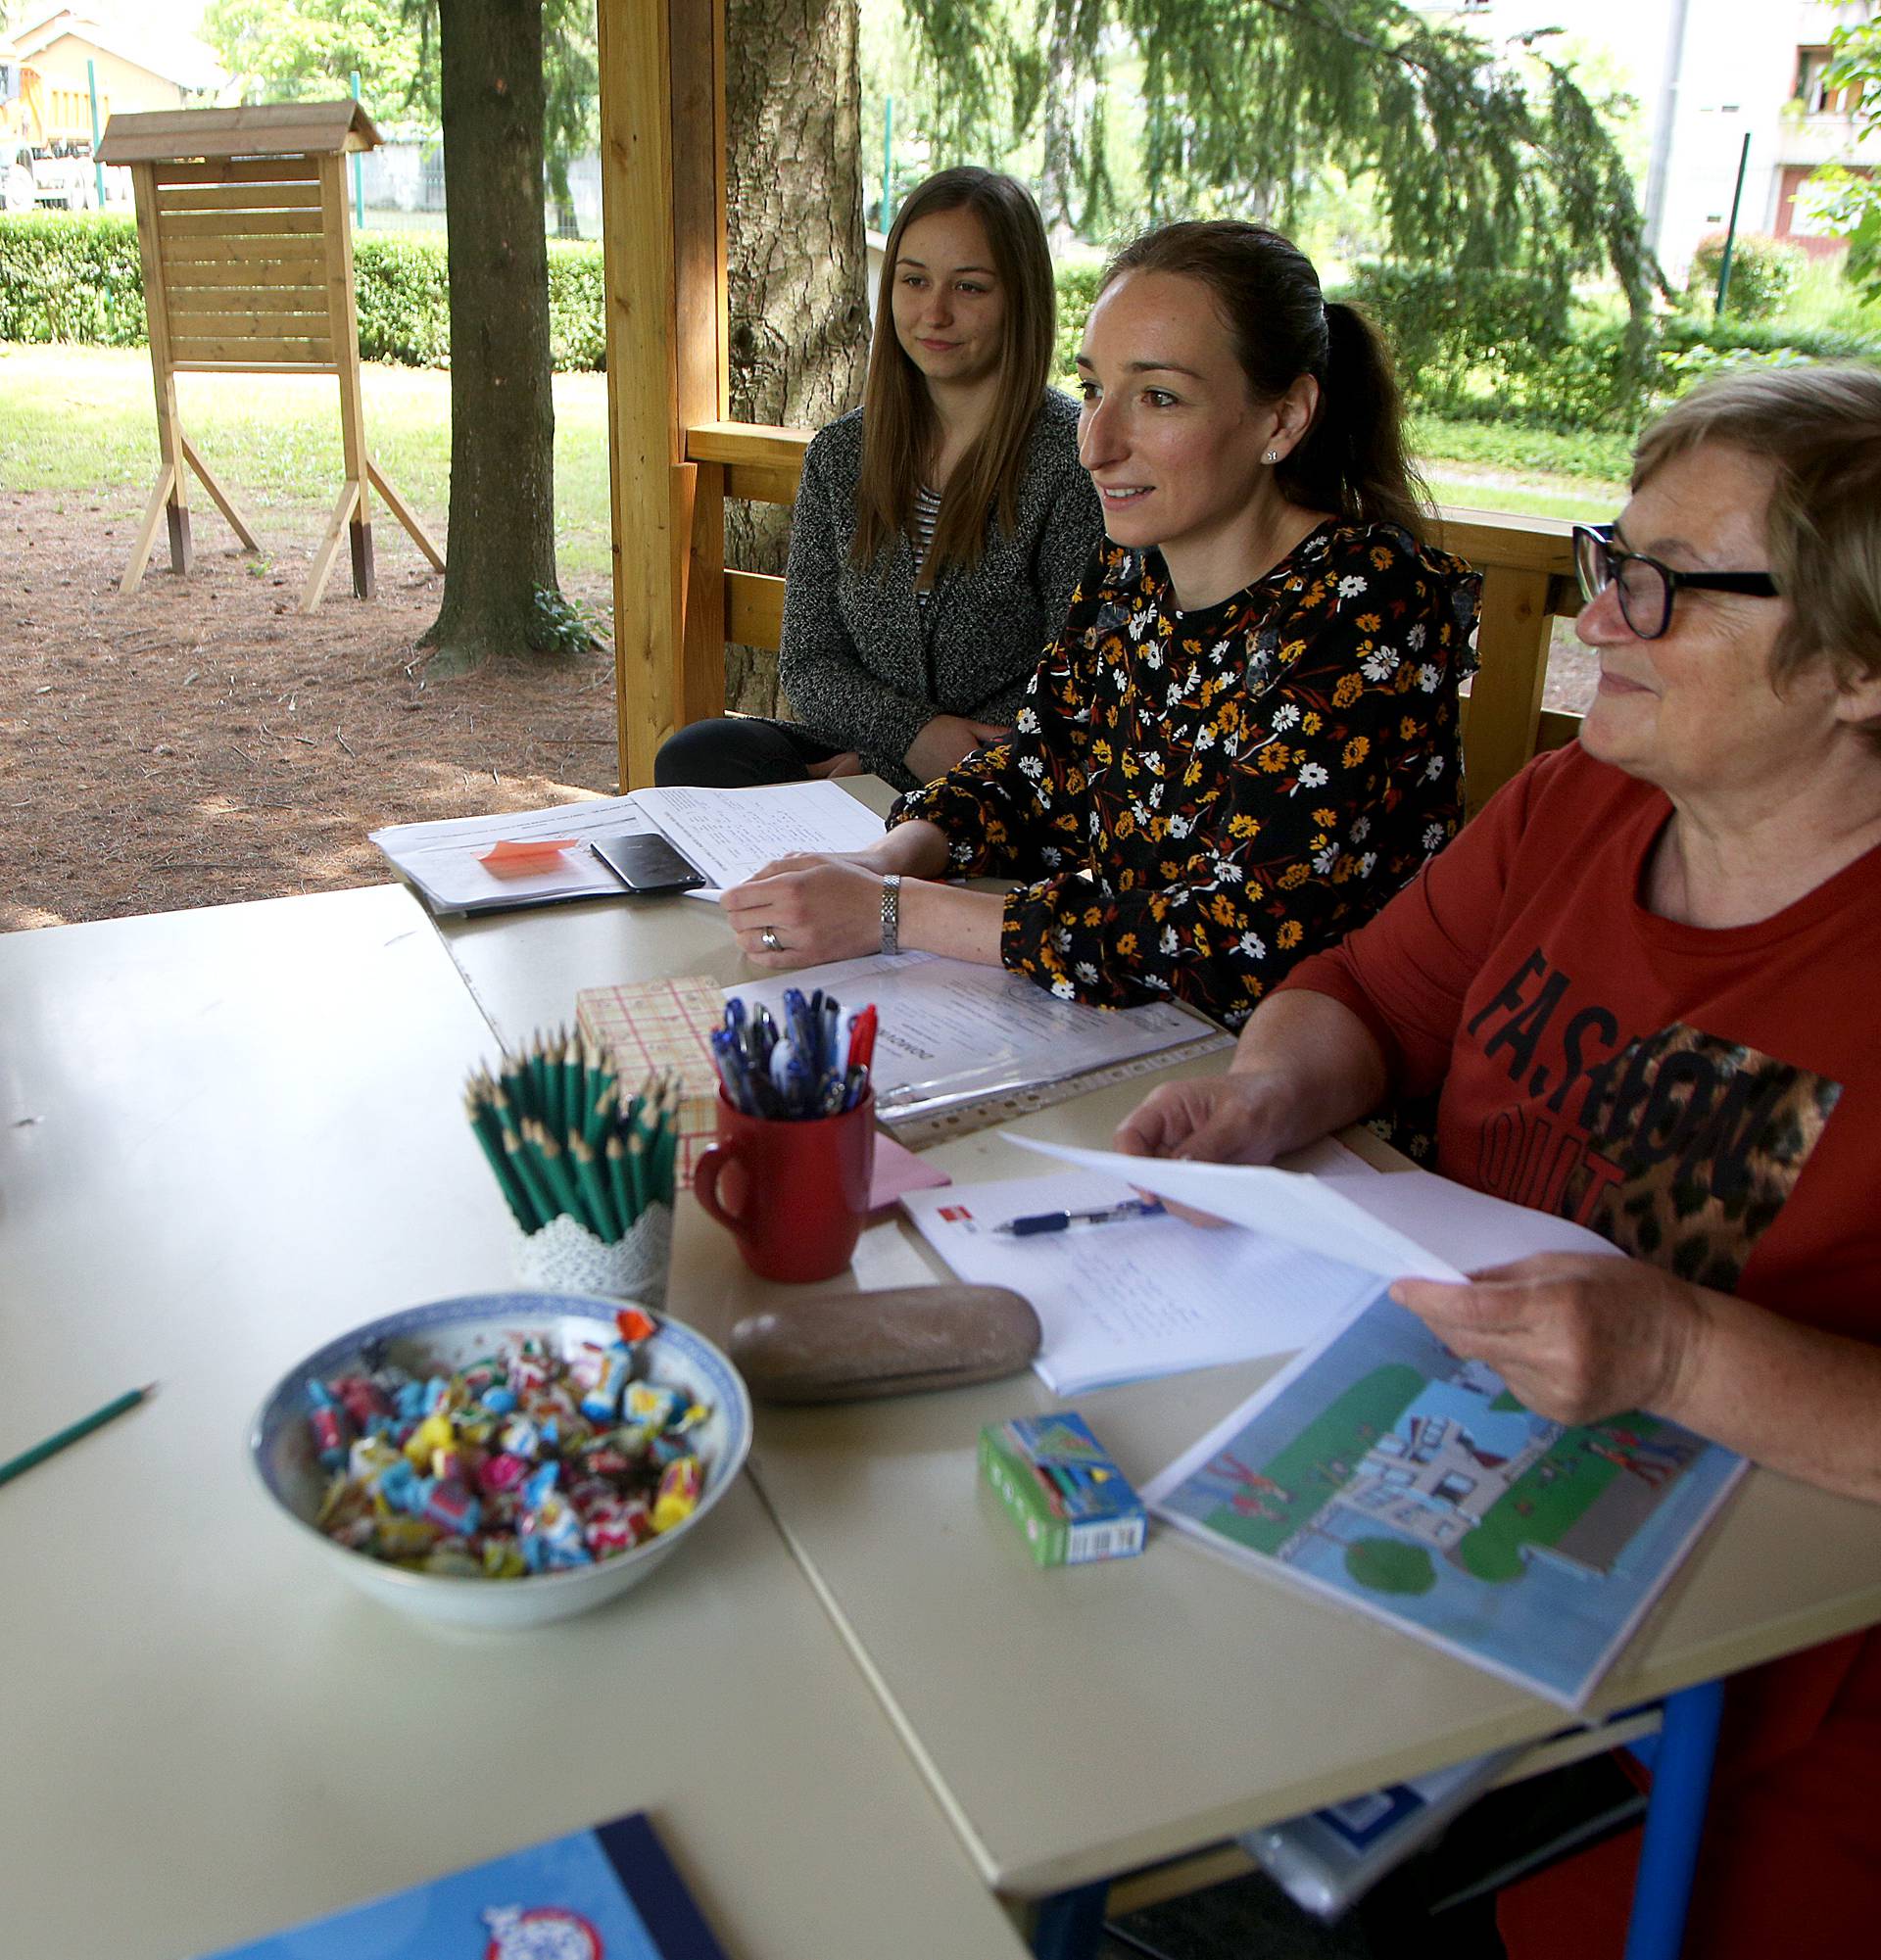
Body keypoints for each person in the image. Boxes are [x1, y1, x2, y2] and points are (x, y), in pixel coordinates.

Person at [1115, 363, 1881, 1957]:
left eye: (1665, 589)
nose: (1601, 619)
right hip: (1414, 1540)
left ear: (1860, 664)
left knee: (1131, 1882)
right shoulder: (1575, 808)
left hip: (1699, 1733)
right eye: (1614, 558)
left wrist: (1668, 1341)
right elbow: (1363, 996)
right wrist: (1268, 1095)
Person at [720, 220, 1479, 1028]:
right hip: (1119, 1037)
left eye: (1158, 398)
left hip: (1294, 1098)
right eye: (1091, 390)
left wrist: (891, 911)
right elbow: (1039, 767)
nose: (1096, 444)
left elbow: (1241, 943)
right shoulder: (1134, 572)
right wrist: (885, 856)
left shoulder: (1367, 605)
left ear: (1283, 419)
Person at [655, 167, 1103, 792]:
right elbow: (810, 666)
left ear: (1020, 298)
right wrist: (907, 741)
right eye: (914, 280)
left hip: (1007, 767)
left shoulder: (1072, 456)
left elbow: (1079, 686)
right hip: (872, 740)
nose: (934, 312)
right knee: (700, 755)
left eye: (969, 288)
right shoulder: (843, 454)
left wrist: (900, 766)